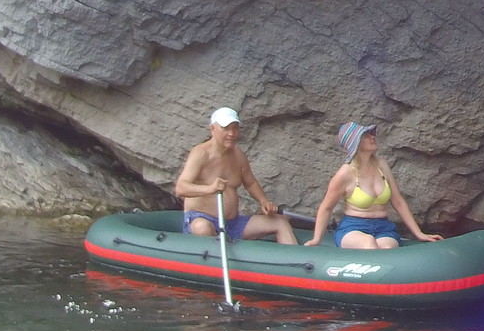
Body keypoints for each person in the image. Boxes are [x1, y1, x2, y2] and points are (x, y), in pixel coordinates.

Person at [307, 121, 442, 251]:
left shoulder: (382, 165)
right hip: (353, 227)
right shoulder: (345, 173)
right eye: (366, 135)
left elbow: (398, 201)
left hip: (383, 227)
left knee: (386, 248)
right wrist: (316, 240)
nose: (373, 137)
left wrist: (419, 234)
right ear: (357, 143)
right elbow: (326, 207)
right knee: (369, 243)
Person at [173, 107, 298, 246]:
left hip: (233, 223)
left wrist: (263, 201)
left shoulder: (238, 155)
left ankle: (299, 263)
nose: (231, 134)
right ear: (213, 129)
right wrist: (209, 188)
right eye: (226, 129)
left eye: (235, 128)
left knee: (280, 221)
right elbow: (181, 188)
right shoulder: (200, 154)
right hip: (202, 219)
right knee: (202, 228)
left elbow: (250, 183)